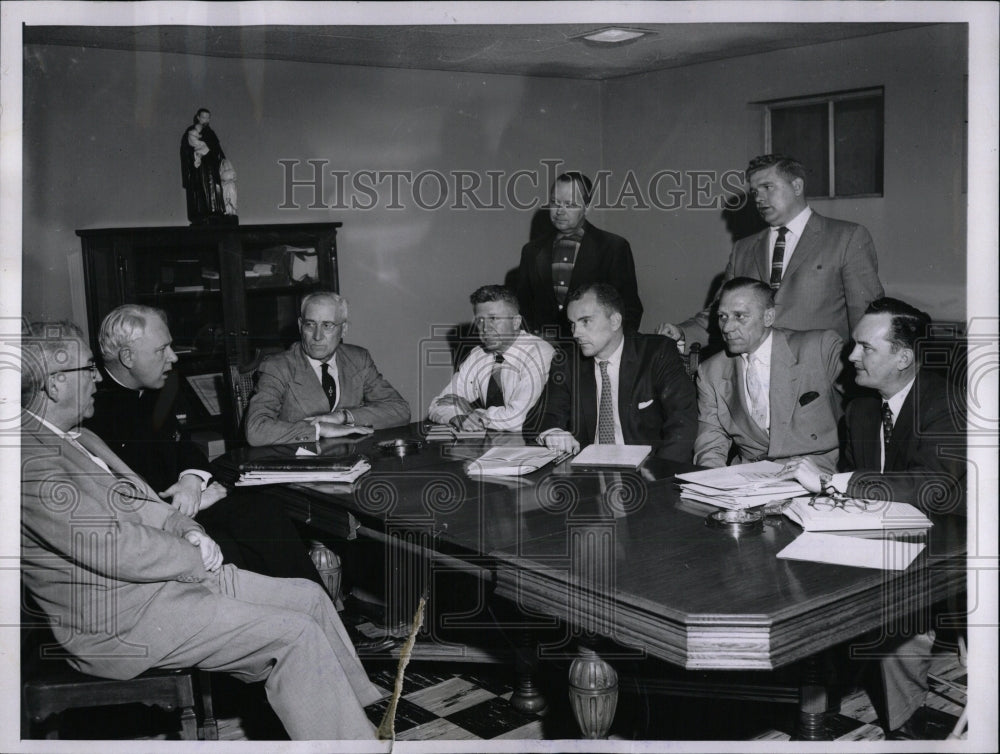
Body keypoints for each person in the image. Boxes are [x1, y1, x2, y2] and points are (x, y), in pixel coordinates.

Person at [20, 322, 383, 740]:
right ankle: (351, 743)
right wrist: (194, 556)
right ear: (55, 383)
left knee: (309, 597)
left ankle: (355, 720)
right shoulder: (31, 464)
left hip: (159, 588)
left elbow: (149, 505)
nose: (99, 377)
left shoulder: (80, 436)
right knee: (295, 635)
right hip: (121, 621)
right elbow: (114, 547)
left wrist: (190, 530)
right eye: (89, 368)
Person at [782, 297, 966, 739]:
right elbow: (859, 489)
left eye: (865, 348)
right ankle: (816, 710)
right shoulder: (861, 409)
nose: (851, 357)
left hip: (955, 551)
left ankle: (905, 730)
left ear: (903, 357)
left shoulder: (947, 403)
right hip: (884, 544)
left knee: (892, 621)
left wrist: (840, 483)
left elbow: (935, 488)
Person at [85, 304, 324, 585]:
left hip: (189, 502)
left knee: (265, 512)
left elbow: (183, 446)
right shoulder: (91, 408)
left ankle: (321, 613)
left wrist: (191, 480)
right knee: (232, 550)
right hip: (154, 522)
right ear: (127, 357)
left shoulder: (158, 386)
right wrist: (191, 501)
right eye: (161, 350)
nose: (173, 358)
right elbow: (123, 495)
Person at [659, 153, 884, 347]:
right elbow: (722, 311)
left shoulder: (847, 237)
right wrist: (683, 333)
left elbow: (867, 317)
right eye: (755, 191)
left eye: (768, 187)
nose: (759, 198)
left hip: (822, 378)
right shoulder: (743, 249)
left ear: (797, 186)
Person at [694, 278, 843, 470]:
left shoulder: (819, 348)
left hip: (816, 475)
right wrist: (713, 483)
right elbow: (710, 442)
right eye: (723, 316)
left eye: (740, 316)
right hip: (748, 479)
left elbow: (865, 414)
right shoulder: (710, 371)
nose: (727, 327)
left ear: (768, 317)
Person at [537, 283, 696, 461]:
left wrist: (659, 474)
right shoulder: (567, 362)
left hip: (648, 472)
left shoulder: (657, 353)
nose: (575, 333)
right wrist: (553, 432)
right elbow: (549, 415)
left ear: (615, 321)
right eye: (572, 324)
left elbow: (683, 422)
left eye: (585, 321)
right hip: (587, 474)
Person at [246, 291, 410, 446]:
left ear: (344, 329)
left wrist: (343, 417)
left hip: (352, 459)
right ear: (300, 326)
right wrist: (319, 429)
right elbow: (256, 429)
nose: (317, 336)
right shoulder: (278, 367)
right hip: (300, 464)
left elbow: (400, 410)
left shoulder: (358, 359)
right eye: (310, 324)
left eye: (327, 325)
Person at [517, 172, 643, 337]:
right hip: (543, 351)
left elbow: (629, 308)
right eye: (555, 202)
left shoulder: (614, 247)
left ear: (587, 207)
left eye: (569, 204)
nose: (559, 211)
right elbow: (522, 308)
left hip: (595, 352)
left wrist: (614, 353)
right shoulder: (531, 251)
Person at [428, 285, 555, 432]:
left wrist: (471, 412)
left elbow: (517, 420)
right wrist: (457, 417)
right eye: (480, 321)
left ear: (516, 322)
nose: (485, 328)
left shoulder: (539, 352)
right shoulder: (478, 354)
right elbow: (437, 405)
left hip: (539, 443)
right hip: (494, 444)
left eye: (493, 319)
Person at [180, 108, 227, 224]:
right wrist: (197, 154)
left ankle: (215, 211)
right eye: (204, 117)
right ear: (198, 117)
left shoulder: (210, 133)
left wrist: (222, 159)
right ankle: (202, 213)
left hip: (211, 168)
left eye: (208, 117)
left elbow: (217, 149)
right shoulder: (191, 131)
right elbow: (187, 150)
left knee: (213, 191)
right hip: (199, 169)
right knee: (201, 190)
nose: (206, 120)